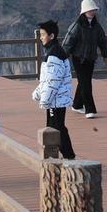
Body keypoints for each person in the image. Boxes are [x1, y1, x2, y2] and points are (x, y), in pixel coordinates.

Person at [32, 20, 76, 159]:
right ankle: (66, 156)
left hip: (55, 99)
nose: (41, 37)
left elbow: (53, 81)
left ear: (51, 36)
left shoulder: (54, 55)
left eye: (43, 34)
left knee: (55, 129)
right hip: (57, 98)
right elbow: (47, 79)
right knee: (58, 127)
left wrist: (45, 100)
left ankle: (67, 157)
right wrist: (38, 92)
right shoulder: (55, 51)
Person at [62, 0, 107, 119]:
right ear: (84, 12)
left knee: (84, 82)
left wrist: (106, 55)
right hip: (79, 58)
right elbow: (68, 42)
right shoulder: (76, 26)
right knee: (86, 83)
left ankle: (77, 105)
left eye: (93, 10)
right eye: (90, 10)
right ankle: (90, 109)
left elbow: (103, 41)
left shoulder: (96, 26)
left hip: (91, 58)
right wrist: (62, 57)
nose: (92, 12)